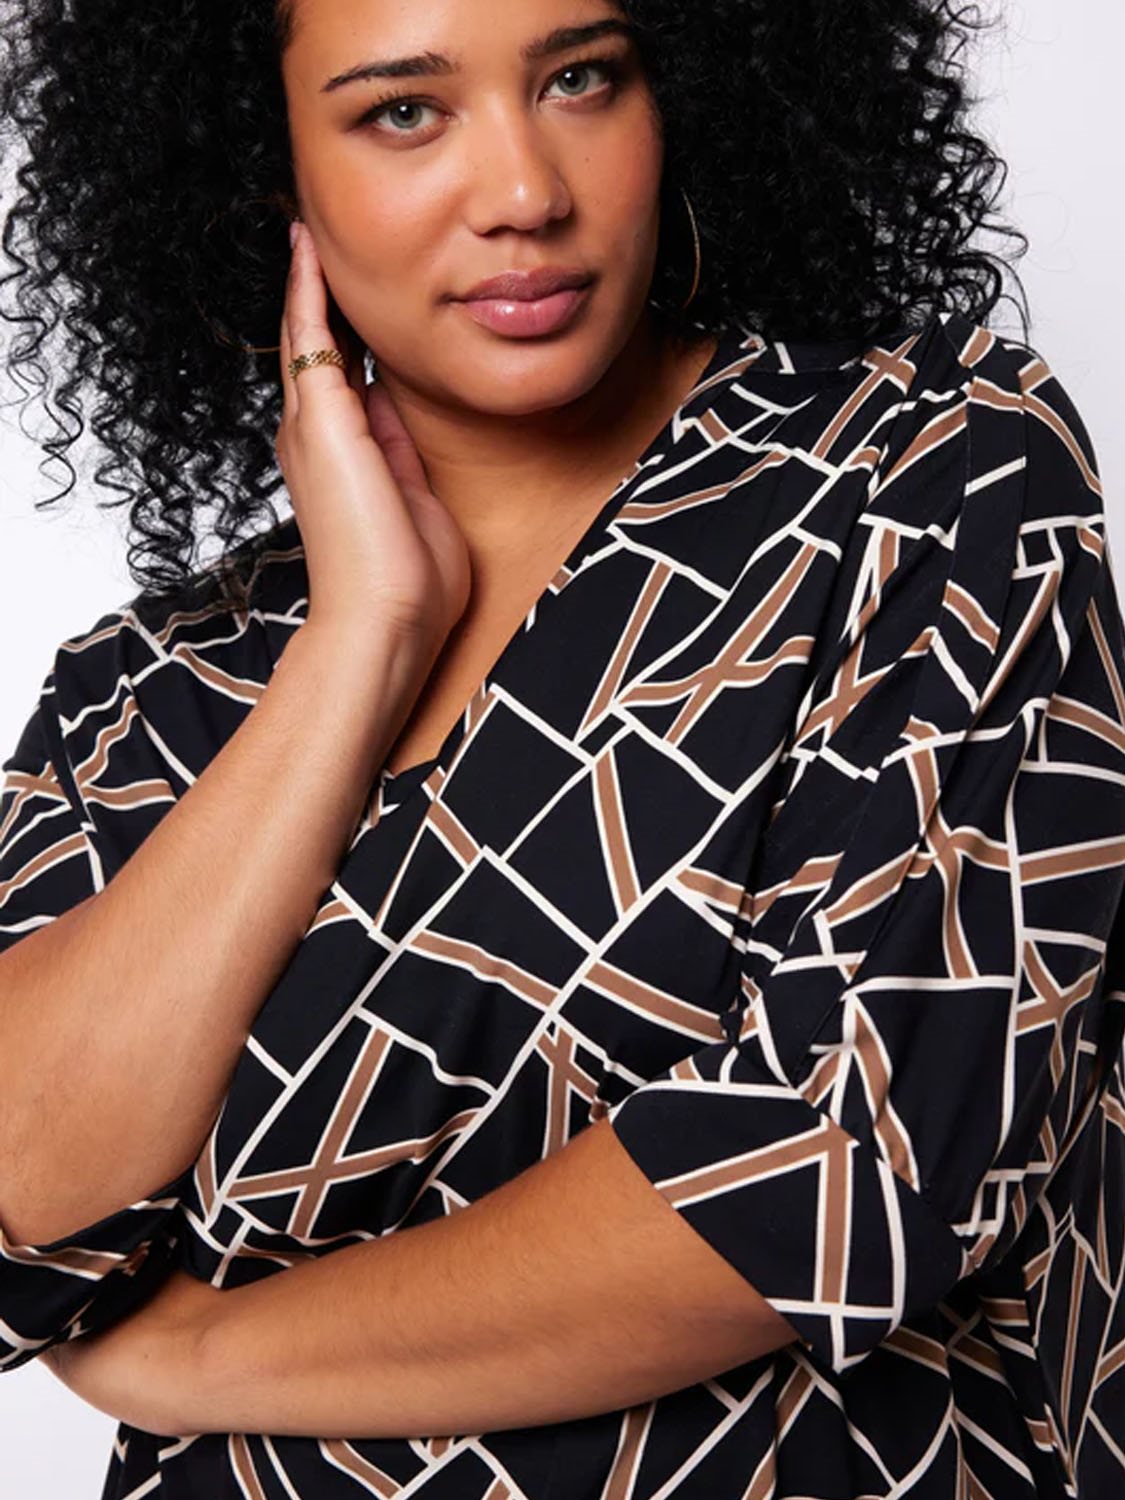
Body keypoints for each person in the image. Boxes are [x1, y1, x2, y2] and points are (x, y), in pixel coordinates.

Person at [0, 0, 1122, 1496]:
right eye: (404, 111)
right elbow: (26, 1217)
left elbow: (852, 1170)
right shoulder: (144, 694)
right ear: (266, 173)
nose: (526, 191)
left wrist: (198, 1358)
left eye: (581, 78)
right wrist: (359, 642)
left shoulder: (928, 477)